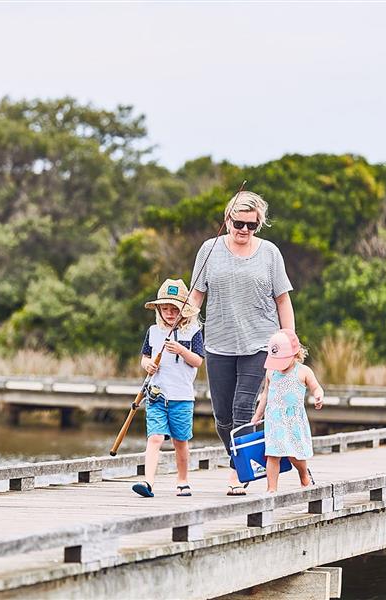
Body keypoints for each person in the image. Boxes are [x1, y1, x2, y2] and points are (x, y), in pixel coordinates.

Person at [189, 190, 295, 496]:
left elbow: (282, 300)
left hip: (260, 343)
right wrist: (182, 322)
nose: (244, 230)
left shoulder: (270, 253)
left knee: (242, 409)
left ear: (259, 225)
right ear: (227, 220)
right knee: (222, 417)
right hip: (218, 343)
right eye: (238, 223)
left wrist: (290, 340)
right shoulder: (209, 250)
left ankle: (238, 474)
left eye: (251, 225)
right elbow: (197, 295)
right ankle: (244, 460)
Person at [132, 278, 205, 498]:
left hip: (181, 397)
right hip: (156, 396)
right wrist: (149, 365)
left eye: (175, 309)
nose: (170, 314)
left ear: (184, 310)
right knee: (155, 438)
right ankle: (148, 481)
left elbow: (198, 361)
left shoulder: (193, 332)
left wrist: (181, 350)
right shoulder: (153, 331)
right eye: (166, 309)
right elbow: (144, 358)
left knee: (180, 441)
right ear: (159, 310)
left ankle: (182, 480)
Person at [250, 329, 324, 492]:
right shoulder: (271, 372)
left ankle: (304, 474)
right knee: (272, 454)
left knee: (294, 454)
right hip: (274, 420)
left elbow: (316, 388)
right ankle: (271, 489)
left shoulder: (303, 371)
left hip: (293, 420)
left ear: (295, 353)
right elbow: (265, 394)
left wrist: (318, 396)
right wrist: (257, 414)